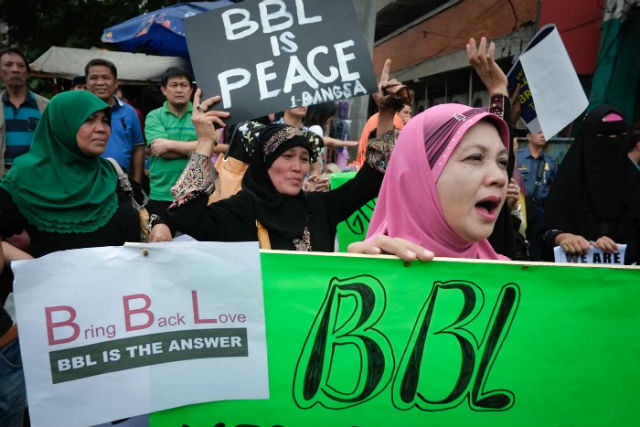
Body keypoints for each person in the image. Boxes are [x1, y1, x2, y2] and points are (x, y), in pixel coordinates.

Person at [168, 81, 405, 250]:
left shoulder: (319, 208)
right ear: (264, 162)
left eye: (304, 158)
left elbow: (374, 176)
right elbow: (185, 214)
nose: (298, 167)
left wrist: (385, 114)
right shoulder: (239, 212)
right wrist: (206, 142)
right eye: (288, 156)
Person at [349, 37, 516, 261]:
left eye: (503, 163)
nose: (499, 177)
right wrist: (355, 275)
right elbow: (375, 175)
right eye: (475, 157)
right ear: (421, 178)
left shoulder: (509, 281)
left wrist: (499, 92)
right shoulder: (367, 276)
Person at [0, 90, 148, 258]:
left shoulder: (111, 171)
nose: (102, 129)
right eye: (89, 120)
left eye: (105, 121)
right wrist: (29, 263)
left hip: (122, 281)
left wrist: (159, 225)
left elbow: (145, 210)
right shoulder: (23, 178)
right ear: (62, 123)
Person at [542, 105, 640, 264]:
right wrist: (562, 238)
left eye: (620, 136)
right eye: (603, 137)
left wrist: (617, 250)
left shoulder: (635, 186)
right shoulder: (567, 185)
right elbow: (543, 235)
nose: (613, 144)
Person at [144, 67, 226, 241]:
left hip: (196, 196)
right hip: (161, 194)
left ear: (192, 89)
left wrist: (170, 146)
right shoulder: (154, 116)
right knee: (159, 245)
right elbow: (158, 148)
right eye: (174, 85)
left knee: (196, 250)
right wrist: (200, 146)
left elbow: (210, 147)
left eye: (184, 85)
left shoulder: (203, 116)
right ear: (164, 89)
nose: (179, 89)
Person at [85, 58, 145, 185]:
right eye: (94, 78)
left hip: (121, 182)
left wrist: (136, 184)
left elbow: (138, 149)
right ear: (87, 82)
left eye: (106, 78)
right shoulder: (77, 111)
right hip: (86, 181)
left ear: (116, 83)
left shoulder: (130, 112)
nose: (100, 82)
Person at [0, 48, 49, 175]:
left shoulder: (46, 106)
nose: (15, 69)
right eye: (8, 65)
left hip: (36, 177)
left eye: (21, 65)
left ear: (27, 73)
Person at [516, 130, 557, 259]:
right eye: (538, 133)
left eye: (544, 133)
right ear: (528, 136)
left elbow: (555, 186)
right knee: (518, 239)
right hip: (520, 206)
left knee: (536, 244)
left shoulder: (550, 161)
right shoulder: (518, 157)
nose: (542, 136)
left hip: (540, 209)